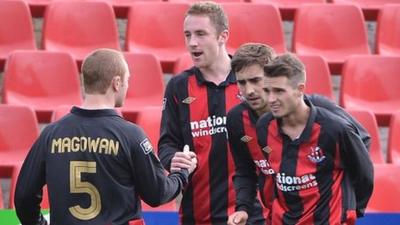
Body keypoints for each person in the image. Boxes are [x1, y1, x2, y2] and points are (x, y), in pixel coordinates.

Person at [14, 48, 197, 225]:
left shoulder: (51, 134)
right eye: (127, 80)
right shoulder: (131, 135)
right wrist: (181, 174)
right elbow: (157, 193)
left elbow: (23, 197)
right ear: (116, 83)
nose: (127, 85)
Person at [225, 44, 372, 225]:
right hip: (278, 216)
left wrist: (346, 204)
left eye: (256, 80)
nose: (249, 90)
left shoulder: (320, 111)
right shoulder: (236, 120)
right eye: (242, 82)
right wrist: (243, 208)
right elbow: (245, 171)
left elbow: (361, 142)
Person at [157, 2, 265, 225]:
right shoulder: (179, 86)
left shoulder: (252, 82)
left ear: (222, 36)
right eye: (187, 35)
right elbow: (167, 144)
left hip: (254, 215)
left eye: (200, 34)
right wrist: (174, 159)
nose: (192, 42)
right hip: (198, 215)